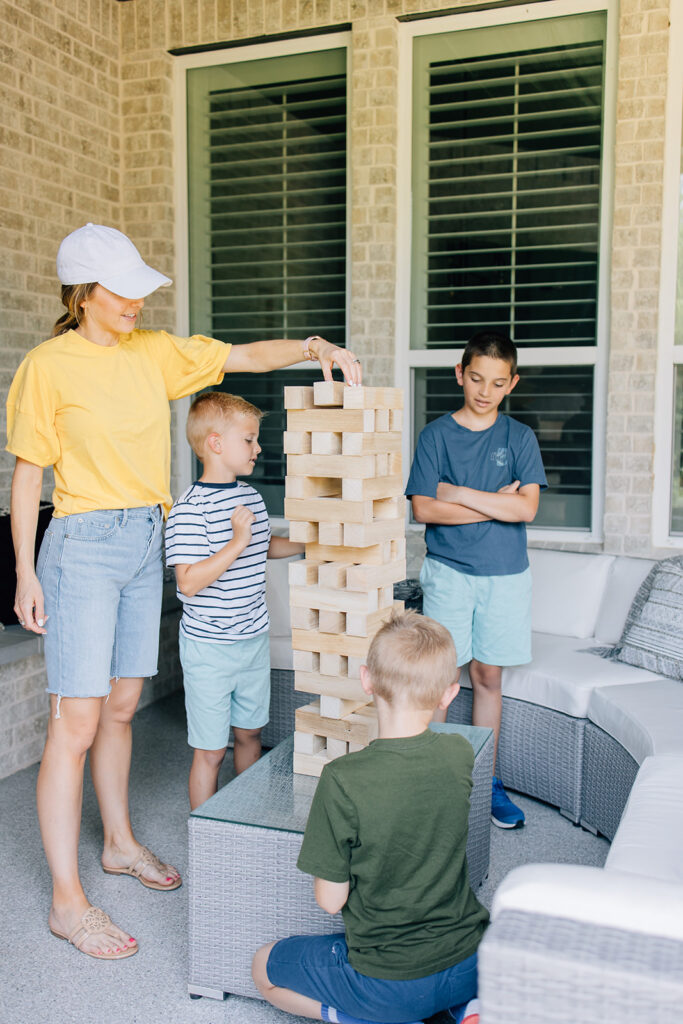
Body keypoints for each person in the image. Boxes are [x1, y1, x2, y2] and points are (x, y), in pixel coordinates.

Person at [6, 222, 362, 961]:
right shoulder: (48, 365)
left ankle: (119, 844)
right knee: (76, 721)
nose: (136, 300)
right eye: (122, 289)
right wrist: (25, 572)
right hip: (83, 545)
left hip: (145, 539)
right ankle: (68, 905)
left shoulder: (154, 354)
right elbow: (30, 474)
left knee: (125, 705)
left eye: (140, 287)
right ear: (83, 293)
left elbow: (241, 355)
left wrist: (314, 347)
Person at [252, 610, 488, 1024]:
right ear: (449, 695)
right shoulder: (459, 754)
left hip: (388, 983)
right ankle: (466, 1008)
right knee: (438, 990)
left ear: (366, 681)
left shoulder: (343, 779)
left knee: (263, 967)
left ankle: (367, 1019)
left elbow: (330, 901)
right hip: (470, 962)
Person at [406, 330, 547, 830]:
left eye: (497, 382)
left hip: (506, 578)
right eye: (476, 378)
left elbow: (526, 507)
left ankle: (486, 779)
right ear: (460, 375)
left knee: (487, 678)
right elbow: (424, 507)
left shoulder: (520, 437)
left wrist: (459, 493)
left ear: (512, 383)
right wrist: (495, 504)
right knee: (441, 679)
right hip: (448, 574)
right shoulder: (435, 436)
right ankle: (435, 779)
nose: (485, 391)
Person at [165, 391, 303, 809]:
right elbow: (188, 582)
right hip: (209, 648)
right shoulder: (188, 509)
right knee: (210, 750)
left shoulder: (251, 498)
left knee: (249, 735)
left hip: (252, 640)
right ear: (215, 443)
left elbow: (264, 545)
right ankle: (205, 832)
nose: (258, 448)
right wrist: (238, 541)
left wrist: (309, 543)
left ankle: (247, 817)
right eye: (249, 439)